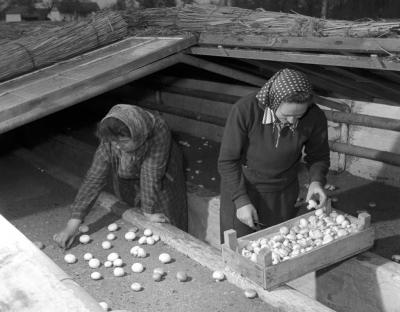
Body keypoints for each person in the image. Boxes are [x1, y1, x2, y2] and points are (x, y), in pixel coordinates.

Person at [218, 68, 330, 241]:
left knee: (279, 246)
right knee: (240, 250)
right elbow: (227, 161)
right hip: (243, 188)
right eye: (287, 115)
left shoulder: (315, 116)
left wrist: (316, 181)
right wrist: (240, 200)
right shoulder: (246, 111)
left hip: (282, 194)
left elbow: (319, 155)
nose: (293, 121)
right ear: (273, 102)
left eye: (299, 115)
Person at [54, 104, 187, 248]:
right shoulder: (110, 136)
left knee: (162, 210)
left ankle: (180, 244)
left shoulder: (158, 129)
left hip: (162, 168)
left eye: (122, 142)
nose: (117, 146)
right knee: (130, 198)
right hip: (129, 167)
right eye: (113, 142)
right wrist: (72, 224)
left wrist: (148, 211)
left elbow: (151, 172)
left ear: (138, 135)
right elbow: (94, 177)